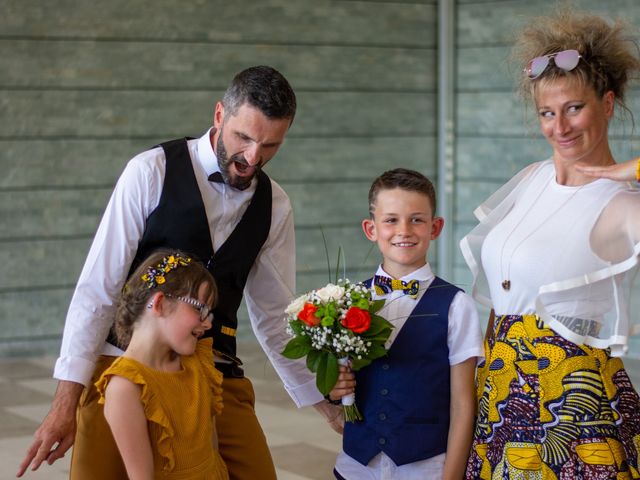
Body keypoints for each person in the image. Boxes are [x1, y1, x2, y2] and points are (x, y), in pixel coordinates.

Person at [17, 65, 340, 480]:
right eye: (244, 137)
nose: (254, 157)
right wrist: (65, 402)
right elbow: (98, 289)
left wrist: (323, 402)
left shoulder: (276, 206)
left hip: (215, 370)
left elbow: (275, 318)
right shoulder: (150, 170)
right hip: (124, 364)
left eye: (271, 145)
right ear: (220, 115)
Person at [460, 9, 640, 478]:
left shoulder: (624, 204)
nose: (559, 126)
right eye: (547, 112)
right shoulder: (530, 178)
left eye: (574, 107)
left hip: (574, 405)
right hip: (502, 389)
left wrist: (635, 170)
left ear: (608, 102)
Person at [330, 168, 484, 479]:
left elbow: (462, 405)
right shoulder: (343, 301)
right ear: (371, 229)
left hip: (426, 467)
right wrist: (333, 390)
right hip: (355, 466)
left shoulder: (457, 305)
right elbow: (336, 381)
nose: (404, 230)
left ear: (435, 227)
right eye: (391, 220)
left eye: (417, 219)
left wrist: (452, 475)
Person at [96, 250, 228, 479]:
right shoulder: (125, 386)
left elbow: (212, 449)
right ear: (160, 303)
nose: (207, 324)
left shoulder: (198, 362)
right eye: (200, 309)